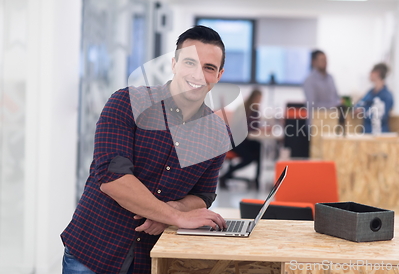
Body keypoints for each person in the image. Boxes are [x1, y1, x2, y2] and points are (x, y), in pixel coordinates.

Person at [60, 26, 231, 274]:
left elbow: (203, 195)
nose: (198, 74)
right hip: (93, 252)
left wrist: (173, 211)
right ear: (174, 64)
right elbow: (113, 179)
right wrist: (177, 218)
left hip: (152, 259)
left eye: (209, 67)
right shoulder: (127, 102)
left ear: (219, 75)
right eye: (190, 63)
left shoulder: (218, 133)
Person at [219, 89, 262, 189]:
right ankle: (227, 174)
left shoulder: (255, 110)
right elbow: (239, 127)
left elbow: (254, 127)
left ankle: (257, 178)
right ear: (253, 98)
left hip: (246, 140)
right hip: (235, 141)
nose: (259, 101)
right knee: (249, 157)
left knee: (259, 147)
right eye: (258, 99)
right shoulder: (243, 109)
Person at [354, 63, 394, 133]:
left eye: (371, 72)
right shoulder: (370, 93)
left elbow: (380, 115)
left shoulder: (387, 96)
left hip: (380, 135)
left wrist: (363, 111)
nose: (369, 74)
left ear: (377, 73)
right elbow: (357, 105)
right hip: (366, 133)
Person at [303, 50, 341, 122]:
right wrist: (333, 106)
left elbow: (336, 98)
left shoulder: (330, 78)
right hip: (317, 122)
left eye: (326, 60)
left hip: (333, 120)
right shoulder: (309, 80)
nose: (325, 62)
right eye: (322, 60)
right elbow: (312, 106)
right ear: (314, 62)